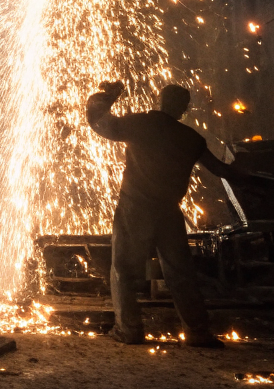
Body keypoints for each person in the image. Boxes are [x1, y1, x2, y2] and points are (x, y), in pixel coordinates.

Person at [86, 81, 229, 347]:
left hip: (135, 209)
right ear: (184, 109)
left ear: (160, 100)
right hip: (169, 212)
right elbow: (221, 170)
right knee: (180, 272)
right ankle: (196, 332)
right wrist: (246, 172)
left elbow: (100, 123)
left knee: (125, 269)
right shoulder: (191, 138)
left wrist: (106, 97)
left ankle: (129, 330)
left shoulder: (140, 124)